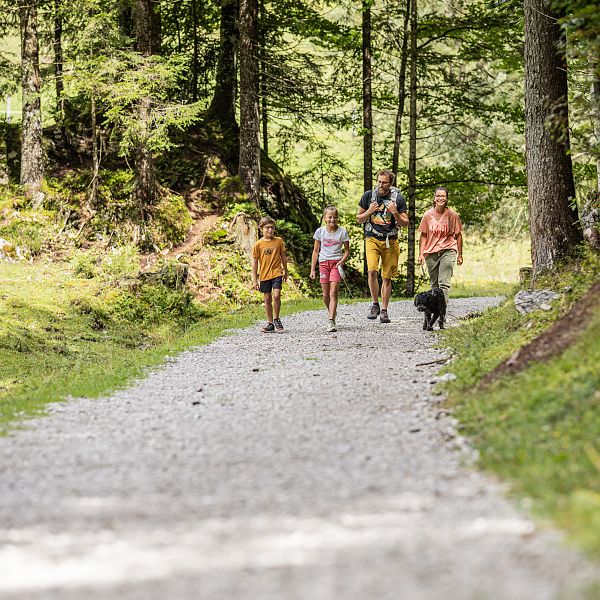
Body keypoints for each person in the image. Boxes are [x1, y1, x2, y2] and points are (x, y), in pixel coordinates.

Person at [357, 169, 409, 323]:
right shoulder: (368, 196)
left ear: (390, 183)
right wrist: (369, 211)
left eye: (384, 182)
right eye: (379, 181)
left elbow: (405, 224)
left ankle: (384, 310)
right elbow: (359, 219)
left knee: (387, 277)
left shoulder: (398, 199)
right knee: (372, 271)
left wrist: (395, 213)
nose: (381, 184)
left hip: (390, 240)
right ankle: (375, 304)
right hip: (372, 238)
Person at [417, 186, 463, 305]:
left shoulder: (452, 215)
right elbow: (423, 235)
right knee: (434, 284)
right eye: (438, 196)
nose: (440, 198)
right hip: (431, 252)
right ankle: (434, 309)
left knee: (444, 283)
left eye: (443, 196)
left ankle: (442, 312)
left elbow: (458, 235)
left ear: (447, 198)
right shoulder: (428, 215)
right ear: (434, 198)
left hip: (448, 250)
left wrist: (460, 255)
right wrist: (421, 254)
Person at [310, 205, 351, 332]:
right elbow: (315, 251)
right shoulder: (320, 232)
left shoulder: (342, 231)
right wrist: (312, 269)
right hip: (323, 264)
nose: (332, 220)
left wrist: (341, 261)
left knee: (333, 293)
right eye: (330, 217)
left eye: (335, 217)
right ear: (325, 219)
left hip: (336, 264)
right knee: (325, 295)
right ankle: (332, 313)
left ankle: (331, 321)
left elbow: (347, 251)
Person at [252, 217, 289, 333]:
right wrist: (254, 279)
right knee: (267, 299)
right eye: (267, 227)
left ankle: (276, 318)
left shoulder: (279, 241)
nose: (270, 230)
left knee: (277, 295)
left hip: (277, 272)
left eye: (272, 228)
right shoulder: (258, 244)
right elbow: (254, 262)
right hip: (264, 275)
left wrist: (286, 270)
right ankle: (270, 323)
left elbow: (283, 256)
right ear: (261, 228)